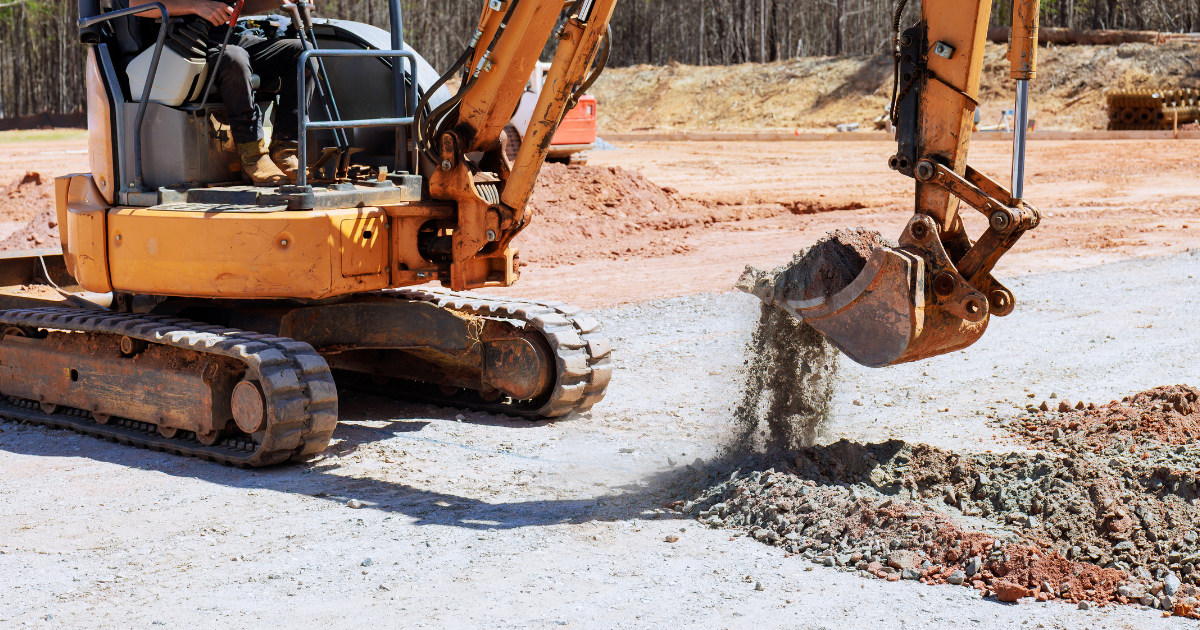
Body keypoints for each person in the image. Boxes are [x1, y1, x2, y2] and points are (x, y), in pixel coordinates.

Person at [125, 0, 313, 185]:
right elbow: (136, 5)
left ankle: (285, 149)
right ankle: (252, 154)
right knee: (235, 58)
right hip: (184, 42)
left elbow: (240, 7)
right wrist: (196, 6)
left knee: (303, 54)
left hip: (228, 36)